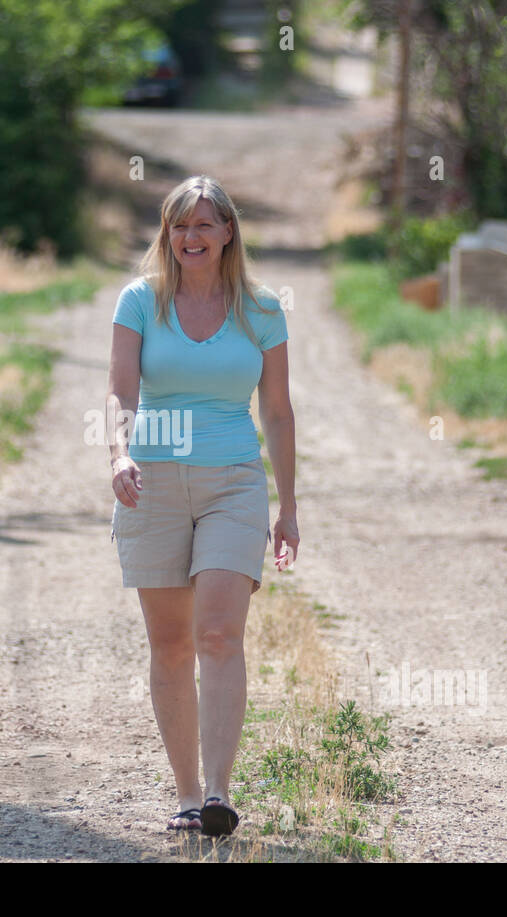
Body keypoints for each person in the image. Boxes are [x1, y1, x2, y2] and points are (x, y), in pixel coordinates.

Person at [106, 174, 299, 837]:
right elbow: (120, 392)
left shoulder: (262, 309)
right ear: (168, 235)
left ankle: (219, 791)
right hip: (152, 483)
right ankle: (187, 793)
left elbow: (276, 410)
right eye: (180, 225)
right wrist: (119, 453)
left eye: (205, 224)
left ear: (228, 234)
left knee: (219, 633)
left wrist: (290, 505)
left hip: (233, 483)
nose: (192, 237)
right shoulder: (139, 301)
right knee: (170, 645)